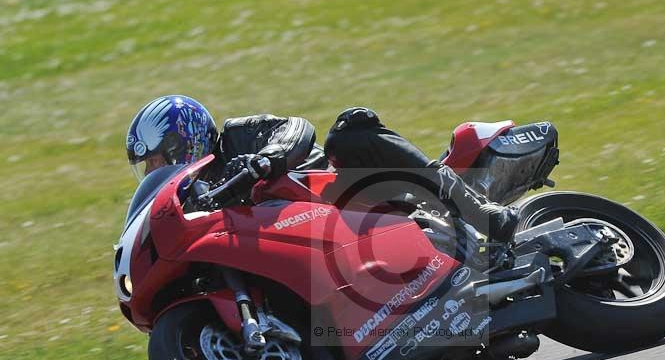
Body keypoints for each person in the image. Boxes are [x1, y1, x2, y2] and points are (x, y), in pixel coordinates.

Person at [125, 95, 518, 242]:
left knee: (350, 128)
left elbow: (297, 129)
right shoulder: (194, 199)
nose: (155, 170)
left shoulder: (238, 137)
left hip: (344, 195)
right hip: (319, 245)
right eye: (150, 166)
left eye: (159, 159)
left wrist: (267, 158)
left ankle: (475, 209)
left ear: (185, 139)